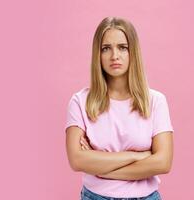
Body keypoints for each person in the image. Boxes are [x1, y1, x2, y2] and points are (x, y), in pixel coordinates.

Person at [64, 17, 174, 200]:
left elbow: (163, 162)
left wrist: (102, 169)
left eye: (122, 47)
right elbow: (76, 160)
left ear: (133, 52)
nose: (115, 56)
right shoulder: (80, 102)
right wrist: (138, 156)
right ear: (97, 54)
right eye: (106, 48)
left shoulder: (155, 101)